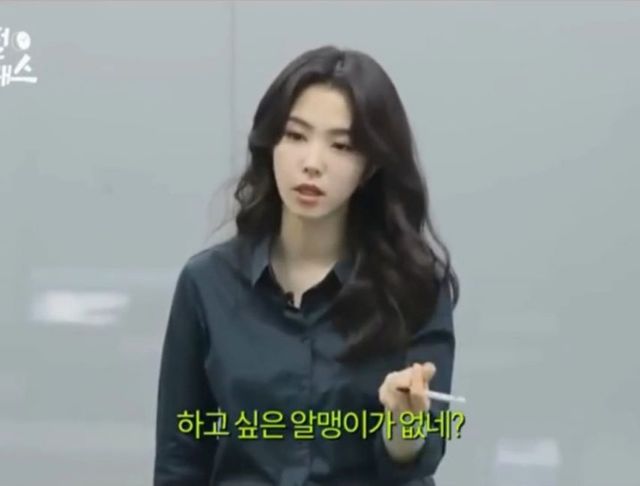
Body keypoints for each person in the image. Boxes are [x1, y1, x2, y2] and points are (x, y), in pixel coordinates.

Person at [153, 45, 459, 486]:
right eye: (295, 136)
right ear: (270, 143)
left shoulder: (415, 288)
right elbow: (180, 460)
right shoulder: (207, 284)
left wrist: (403, 427)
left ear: (370, 166)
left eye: (341, 145)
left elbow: (423, 452)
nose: (312, 164)